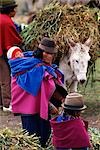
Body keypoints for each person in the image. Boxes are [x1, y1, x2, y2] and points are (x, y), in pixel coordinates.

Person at [7, 37, 67, 148]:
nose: (51, 56)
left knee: (44, 136)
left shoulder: (39, 65)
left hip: (37, 107)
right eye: (48, 53)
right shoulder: (35, 67)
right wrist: (62, 99)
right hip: (29, 109)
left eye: (52, 54)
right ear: (42, 53)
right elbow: (49, 86)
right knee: (33, 139)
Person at [0, 0, 22, 111]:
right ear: (10, 10)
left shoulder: (1, 18)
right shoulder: (7, 22)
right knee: (5, 78)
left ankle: (1, 102)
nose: (15, 11)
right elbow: (14, 40)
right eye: (14, 9)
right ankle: (7, 105)